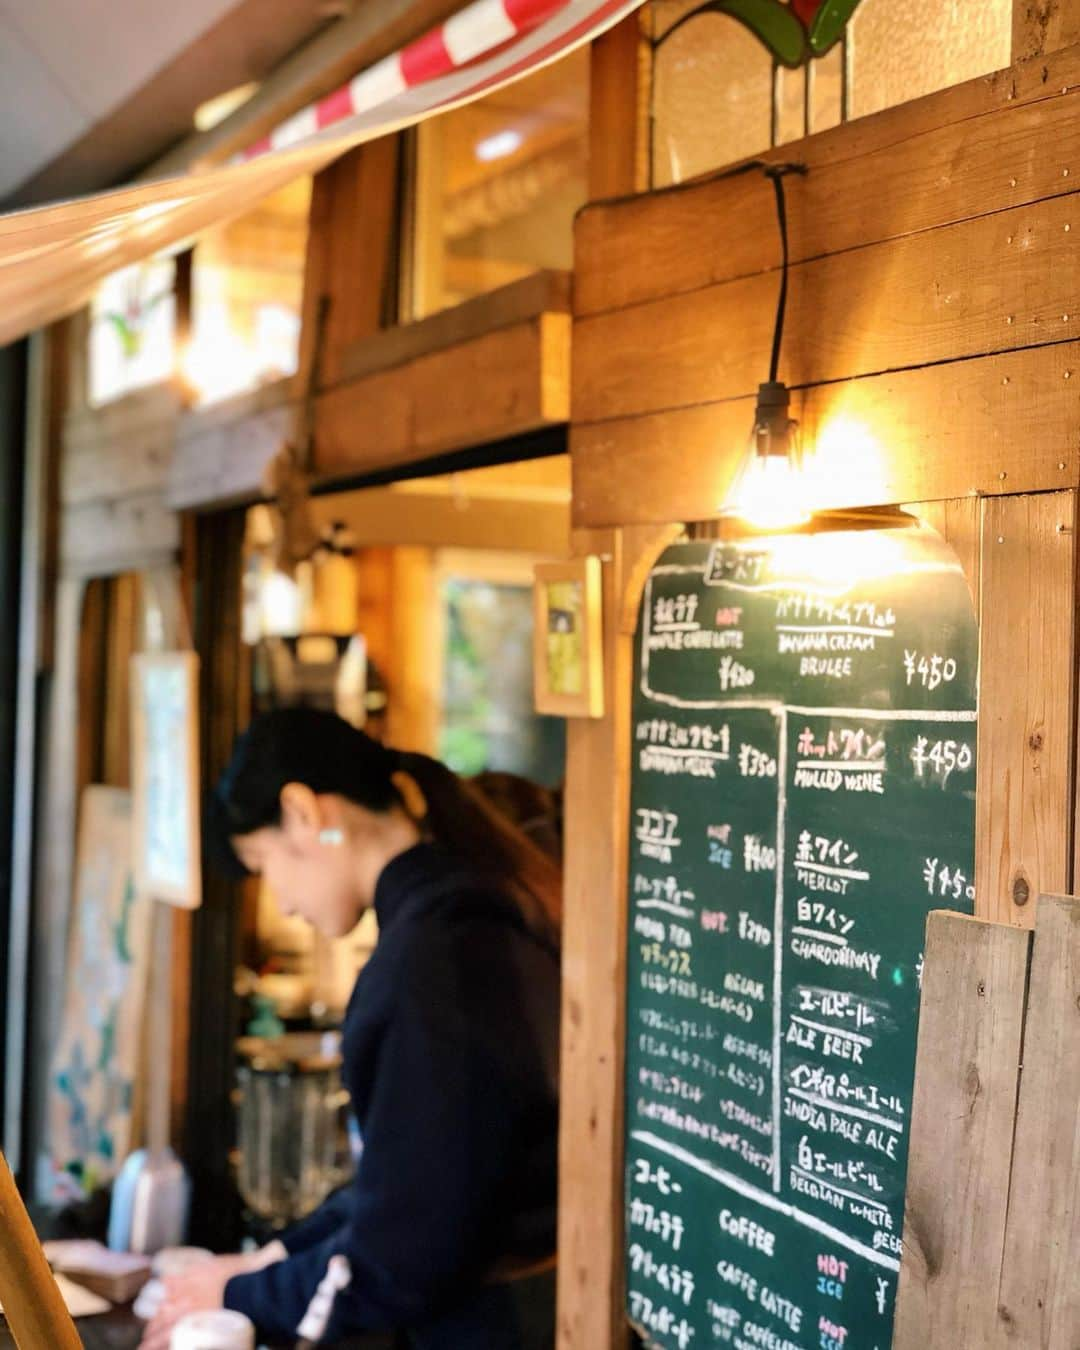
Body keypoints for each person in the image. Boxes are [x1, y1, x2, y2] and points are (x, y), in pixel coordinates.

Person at [140, 707, 561, 1349]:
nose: (280, 900)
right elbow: (402, 1189)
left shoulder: (432, 960)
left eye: (262, 864)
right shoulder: (459, 915)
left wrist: (236, 1294)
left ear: (304, 813)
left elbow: (398, 1262)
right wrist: (267, 1262)